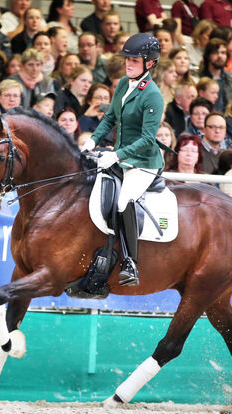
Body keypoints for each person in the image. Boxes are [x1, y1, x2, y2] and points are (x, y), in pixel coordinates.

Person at [80, 33, 163, 287]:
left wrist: (117, 155)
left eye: (134, 60)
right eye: (127, 59)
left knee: (124, 199)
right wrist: (93, 140)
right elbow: (110, 118)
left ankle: (130, 263)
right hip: (121, 158)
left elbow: (148, 138)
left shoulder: (153, 95)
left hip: (144, 162)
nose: (128, 64)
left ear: (149, 63)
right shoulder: (123, 85)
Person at [197, 38, 232, 112]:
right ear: (208, 56)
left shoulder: (231, 78)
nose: (220, 56)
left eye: (223, 53)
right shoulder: (199, 77)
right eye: (215, 53)